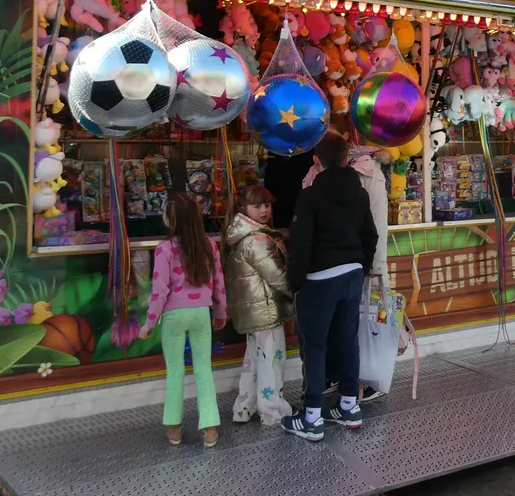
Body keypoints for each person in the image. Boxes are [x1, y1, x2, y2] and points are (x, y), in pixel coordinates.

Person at [282, 132, 378, 442]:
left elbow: (301, 244)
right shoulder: (359, 193)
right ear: (345, 158)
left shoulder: (311, 195)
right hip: (351, 275)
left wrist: (295, 282)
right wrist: (361, 266)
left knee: (315, 345)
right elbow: (370, 236)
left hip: (319, 279)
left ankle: (311, 417)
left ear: (316, 161)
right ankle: (349, 406)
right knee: (347, 340)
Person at [301, 139, 391, 403]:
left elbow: (376, 224)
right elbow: (373, 228)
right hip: (351, 266)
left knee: (356, 326)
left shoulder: (368, 173)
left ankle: (355, 384)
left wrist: (375, 267)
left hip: (336, 269)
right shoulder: (318, 175)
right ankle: (345, 387)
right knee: (348, 328)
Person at [139, 193, 228, 447]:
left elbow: (160, 290)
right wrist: (220, 313)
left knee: (175, 372)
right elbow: (218, 283)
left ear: (170, 220)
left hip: (173, 317)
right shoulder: (209, 246)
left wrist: (149, 323)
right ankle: (210, 429)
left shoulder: (164, 249)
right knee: (204, 370)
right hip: (202, 312)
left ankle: (174, 429)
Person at [224, 185, 294, 426]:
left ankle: (245, 406)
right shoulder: (258, 239)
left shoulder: (240, 236)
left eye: (267, 205)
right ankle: (272, 410)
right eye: (257, 206)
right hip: (266, 311)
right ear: (244, 208)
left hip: (252, 312)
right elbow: (278, 276)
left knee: (253, 359)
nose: (264, 210)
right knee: (272, 360)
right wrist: (296, 292)